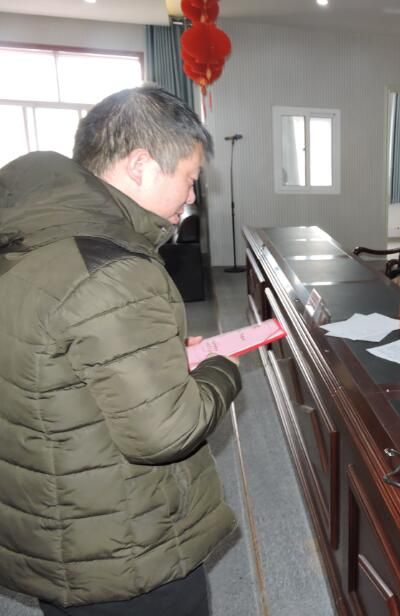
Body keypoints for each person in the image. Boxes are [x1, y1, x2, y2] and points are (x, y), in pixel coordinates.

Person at [0, 86, 242, 614]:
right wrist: (222, 368)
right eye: (190, 179)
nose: (191, 197)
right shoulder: (112, 270)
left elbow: (58, 363)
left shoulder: (30, 235)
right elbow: (167, 430)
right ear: (140, 165)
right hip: (125, 548)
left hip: (52, 522)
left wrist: (158, 354)